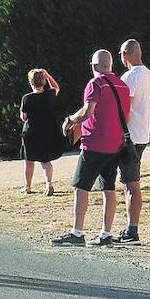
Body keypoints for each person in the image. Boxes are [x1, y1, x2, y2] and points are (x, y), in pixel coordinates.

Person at [50, 49, 142, 248]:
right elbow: (127, 117)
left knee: (81, 187)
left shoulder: (95, 84)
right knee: (108, 188)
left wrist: (70, 120)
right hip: (116, 145)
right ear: (111, 65)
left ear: (93, 67)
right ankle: (106, 233)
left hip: (94, 143)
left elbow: (87, 111)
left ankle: (77, 232)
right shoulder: (122, 85)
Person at [101, 39, 150, 245]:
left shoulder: (130, 77)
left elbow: (125, 109)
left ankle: (132, 230)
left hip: (129, 136)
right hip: (142, 133)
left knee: (131, 183)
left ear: (126, 54)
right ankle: (129, 228)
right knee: (128, 182)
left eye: (122, 54)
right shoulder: (149, 75)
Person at [19, 68, 63, 196]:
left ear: (31, 82)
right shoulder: (49, 95)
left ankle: (27, 186)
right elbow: (56, 87)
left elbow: (24, 117)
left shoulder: (27, 98)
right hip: (47, 130)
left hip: (31, 132)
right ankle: (48, 183)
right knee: (45, 160)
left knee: (29, 160)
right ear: (43, 82)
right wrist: (48, 75)